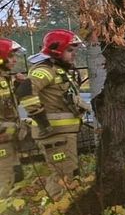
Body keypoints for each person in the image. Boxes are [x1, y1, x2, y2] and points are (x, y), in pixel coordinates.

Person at [20, 30, 89, 200]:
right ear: (56, 51)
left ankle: (61, 212)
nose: (74, 55)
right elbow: (25, 91)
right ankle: (59, 214)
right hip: (53, 134)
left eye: (75, 51)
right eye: (70, 50)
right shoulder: (45, 70)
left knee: (68, 173)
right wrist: (42, 121)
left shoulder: (59, 70)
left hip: (62, 134)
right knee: (63, 177)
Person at [0, 39, 26, 198]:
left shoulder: (5, 80)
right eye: (10, 56)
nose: (15, 60)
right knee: (5, 182)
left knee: (17, 177)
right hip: (2, 142)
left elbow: (7, 108)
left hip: (9, 141)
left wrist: (17, 86)